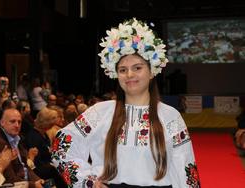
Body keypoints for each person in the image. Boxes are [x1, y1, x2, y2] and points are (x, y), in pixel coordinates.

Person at [51, 18, 200, 188]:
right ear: (116, 74)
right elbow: (61, 147)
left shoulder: (170, 116)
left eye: (137, 68)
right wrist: (88, 182)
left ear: (152, 72)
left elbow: (185, 167)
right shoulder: (99, 112)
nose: (129, 74)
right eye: (123, 69)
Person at [0, 108, 44, 188]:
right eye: (12, 121)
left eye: (19, 122)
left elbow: (24, 166)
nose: (17, 125)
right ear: (2, 123)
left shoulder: (16, 138)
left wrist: (39, 181)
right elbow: (8, 179)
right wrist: (33, 185)